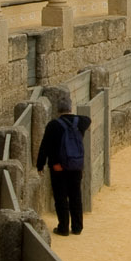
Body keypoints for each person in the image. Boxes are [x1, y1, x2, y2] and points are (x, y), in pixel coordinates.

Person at [35, 100, 90, 236]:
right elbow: (88, 119)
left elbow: (45, 146)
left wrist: (40, 164)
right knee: (75, 196)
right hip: (75, 166)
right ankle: (77, 227)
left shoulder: (53, 125)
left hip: (58, 167)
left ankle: (63, 227)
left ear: (58, 110)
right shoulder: (80, 123)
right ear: (70, 109)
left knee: (61, 197)